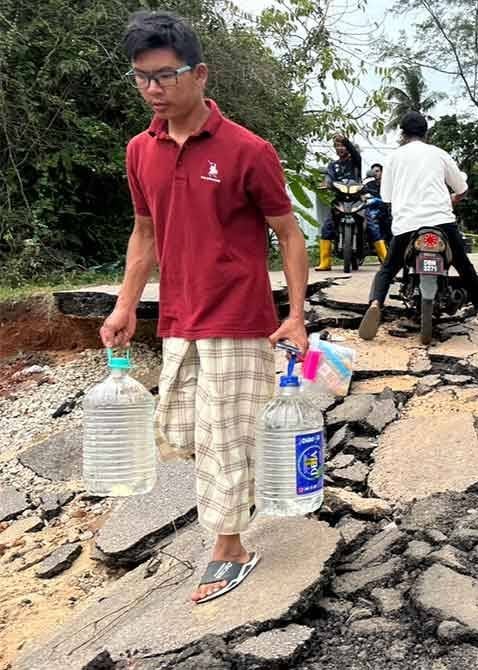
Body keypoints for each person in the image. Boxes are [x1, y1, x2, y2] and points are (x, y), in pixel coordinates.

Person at [101, 11, 309, 604]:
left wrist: (294, 314)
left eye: (165, 75)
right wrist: (124, 307)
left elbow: (288, 234)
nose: (153, 89)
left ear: (199, 74)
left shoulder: (249, 150)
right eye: (141, 78)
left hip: (239, 318)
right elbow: (144, 234)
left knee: (224, 434)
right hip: (178, 317)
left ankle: (230, 546)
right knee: (185, 428)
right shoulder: (140, 151)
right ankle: (243, 500)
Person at [359, 112, 478, 340]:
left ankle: (376, 303)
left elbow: (386, 196)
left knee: (388, 269)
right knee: (463, 264)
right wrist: (455, 198)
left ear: (402, 133)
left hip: (407, 226)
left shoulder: (393, 158)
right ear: (426, 132)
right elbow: (461, 187)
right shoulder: (439, 154)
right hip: (441, 222)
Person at [315, 135, 362, 271]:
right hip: (340, 200)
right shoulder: (333, 165)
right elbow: (329, 177)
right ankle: (325, 262)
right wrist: (326, 183)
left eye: (342, 145)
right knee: (327, 227)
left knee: (372, 226)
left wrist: (346, 140)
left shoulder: (355, 161)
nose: (340, 148)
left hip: (356, 200)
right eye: (337, 146)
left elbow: (355, 153)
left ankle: (384, 259)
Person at [362, 163, 390, 262]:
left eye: (377, 171)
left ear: (383, 172)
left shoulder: (389, 184)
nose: (375, 173)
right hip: (373, 212)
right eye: (373, 172)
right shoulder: (368, 185)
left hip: (387, 211)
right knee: (366, 224)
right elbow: (362, 195)